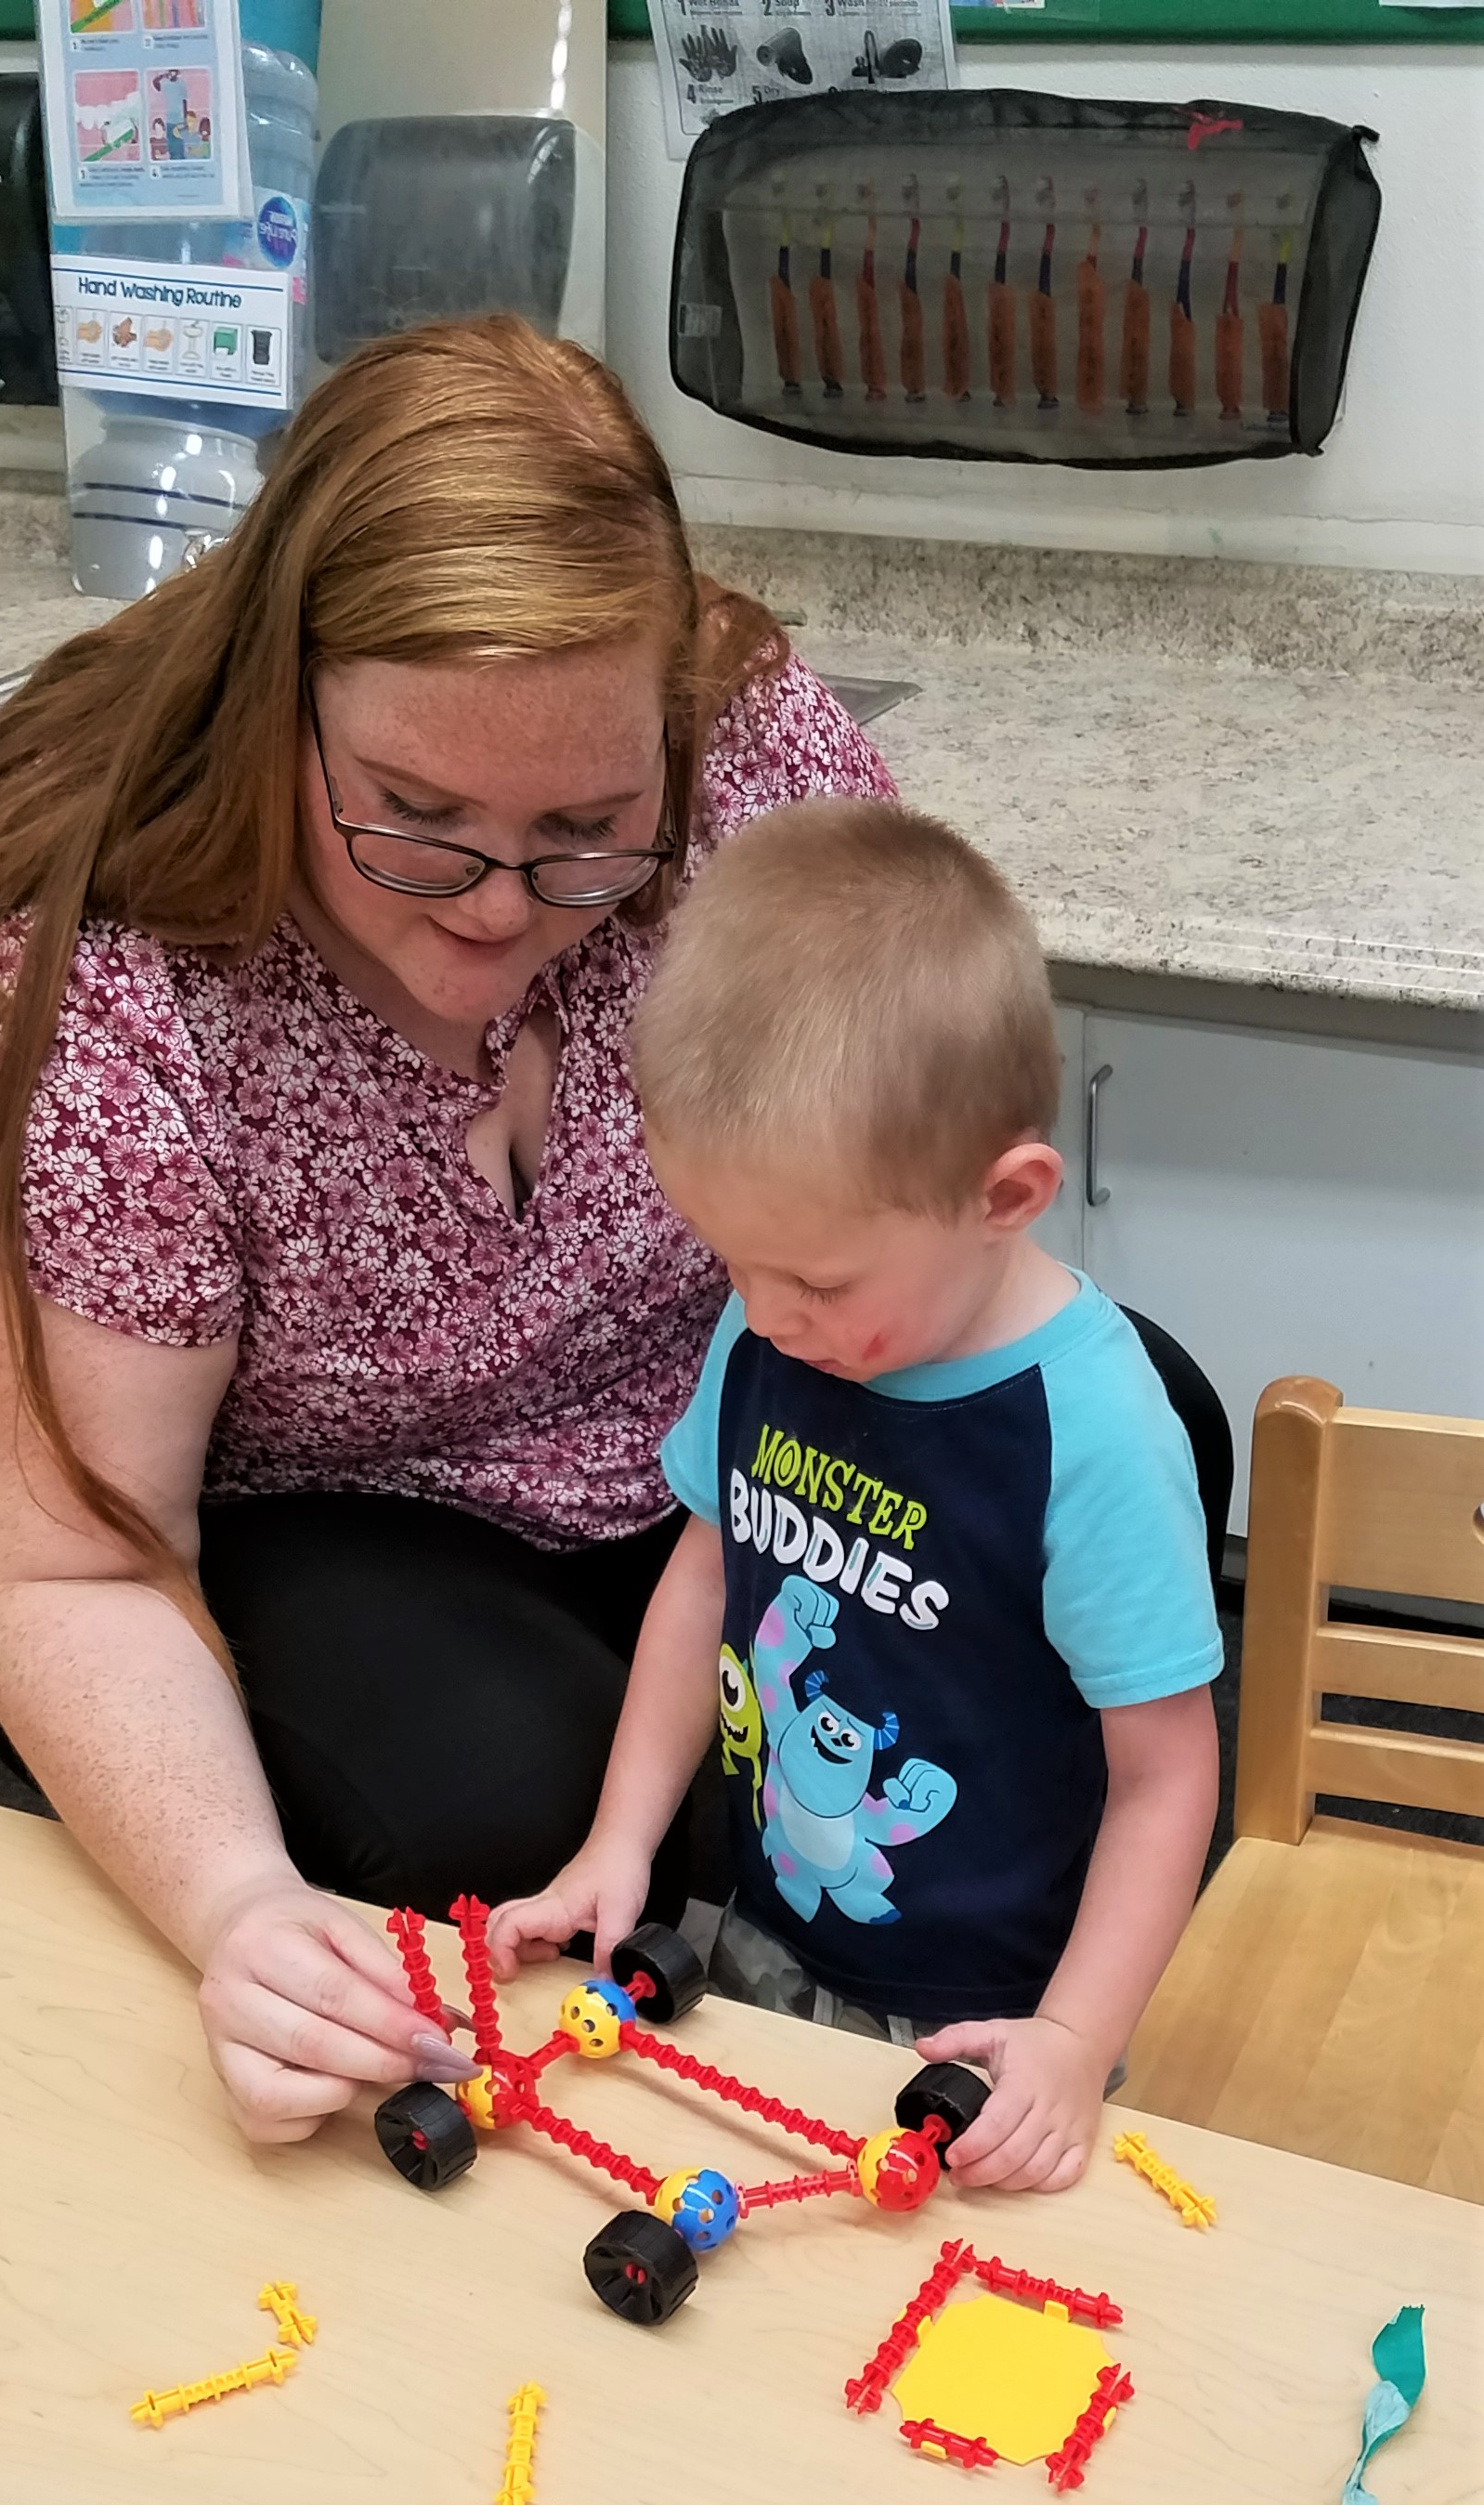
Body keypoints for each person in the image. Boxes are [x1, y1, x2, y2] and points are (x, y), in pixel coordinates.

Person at [0, 317, 895, 2147]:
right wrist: (243, 1910)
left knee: (1115, 1457)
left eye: (588, 832)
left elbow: (903, 1135)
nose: (499, 911)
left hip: (699, 1408)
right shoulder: (91, 984)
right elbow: (71, 1558)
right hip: (313, 1512)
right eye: (413, 821)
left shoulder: (752, 763)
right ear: (279, 709)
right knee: (510, 1811)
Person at [488, 799, 1222, 2192]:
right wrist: (618, 1840)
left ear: (1006, 1197)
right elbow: (702, 1578)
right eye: (731, 1261)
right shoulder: (773, 1324)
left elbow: (1171, 1772)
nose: (764, 1314)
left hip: (999, 2013)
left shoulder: (1096, 1432)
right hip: (766, 1934)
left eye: (818, 1280)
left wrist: (1072, 2039)